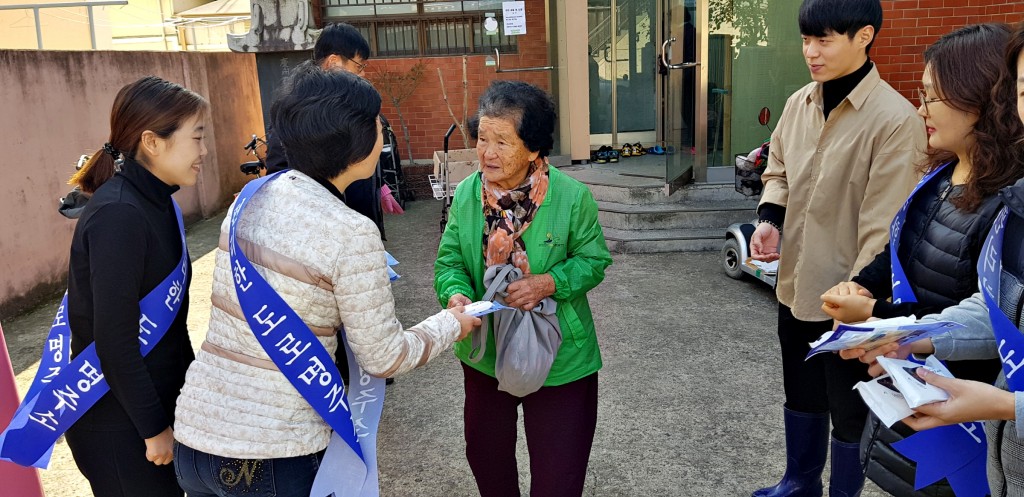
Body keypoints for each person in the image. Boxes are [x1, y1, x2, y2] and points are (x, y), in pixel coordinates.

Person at [171, 62, 479, 497]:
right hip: (276, 454)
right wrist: (452, 324)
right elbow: (384, 357)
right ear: (356, 142)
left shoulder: (249, 198)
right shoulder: (350, 231)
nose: (382, 133)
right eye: (378, 124)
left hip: (197, 439)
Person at [820, 23, 1024, 496]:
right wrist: (863, 286)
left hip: (969, 418)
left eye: (931, 96)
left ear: (981, 98)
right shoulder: (939, 176)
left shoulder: (1007, 207)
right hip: (920, 392)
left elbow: (995, 321)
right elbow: (901, 252)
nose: (921, 109)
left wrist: (878, 316)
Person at [747, 1, 927, 496]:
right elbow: (778, 169)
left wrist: (858, 300)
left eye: (823, 40)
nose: (811, 52)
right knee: (801, 390)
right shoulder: (798, 103)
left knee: (850, 411)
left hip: (852, 298)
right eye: (806, 40)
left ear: (864, 35)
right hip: (795, 285)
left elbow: (883, 227)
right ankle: (799, 481)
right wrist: (770, 220)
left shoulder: (895, 120)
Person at [434, 80, 613, 497]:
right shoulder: (467, 194)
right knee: (488, 462)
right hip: (485, 354)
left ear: (533, 148)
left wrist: (549, 283)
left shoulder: (572, 197)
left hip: (560, 356)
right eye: (482, 138)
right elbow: (450, 261)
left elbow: (594, 260)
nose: (487, 153)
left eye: (502, 142)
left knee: (559, 476)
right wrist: (456, 294)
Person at [63, 76, 208, 497]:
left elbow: (173, 326)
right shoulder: (120, 214)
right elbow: (114, 340)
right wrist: (153, 428)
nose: (203, 150)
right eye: (197, 137)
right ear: (152, 141)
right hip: (120, 426)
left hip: (153, 409)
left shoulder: (158, 202)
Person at [264, 22, 384, 236]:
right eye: (359, 66)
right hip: (327, 232)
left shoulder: (350, 103)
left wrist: (379, 187)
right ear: (333, 62)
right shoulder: (298, 110)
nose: (363, 74)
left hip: (359, 224)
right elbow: (279, 174)